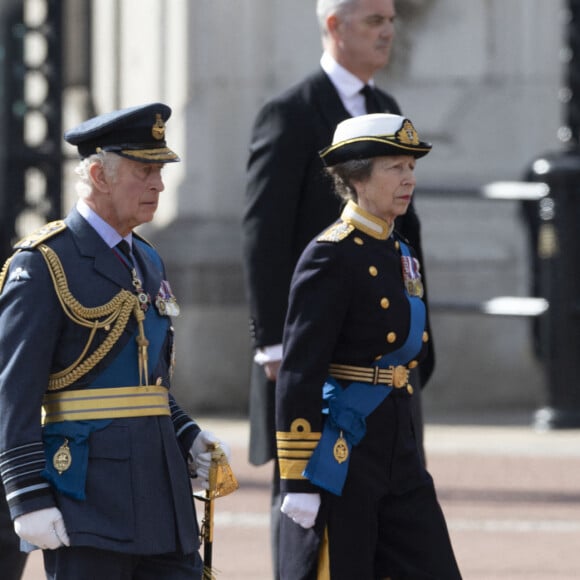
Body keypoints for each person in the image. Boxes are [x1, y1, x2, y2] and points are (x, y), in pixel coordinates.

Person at [242, 0, 434, 574]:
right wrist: (275, 344)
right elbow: (265, 231)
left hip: (385, 356)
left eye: (391, 21)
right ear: (334, 25)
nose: (388, 32)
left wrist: (421, 341)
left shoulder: (385, 109)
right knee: (310, 515)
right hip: (315, 351)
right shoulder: (290, 111)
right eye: (374, 20)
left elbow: (408, 237)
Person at [0, 103, 230, 579]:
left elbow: (146, 381)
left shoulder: (147, 259)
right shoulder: (44, 262)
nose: (159, 184)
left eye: (161, 170)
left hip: (163, 495)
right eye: (145, 170)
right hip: (87, 499)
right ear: (100, 176)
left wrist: (187, 436)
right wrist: (26, 496)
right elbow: (13, 393)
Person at [275, 113, 461, 579]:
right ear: (357, 177)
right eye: (395, 167)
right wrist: (297, 478)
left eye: (411, 168)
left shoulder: (400, 252)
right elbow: (301, 369)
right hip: (346, 454)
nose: (408, 179)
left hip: (399, 448)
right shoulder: (330, 253)